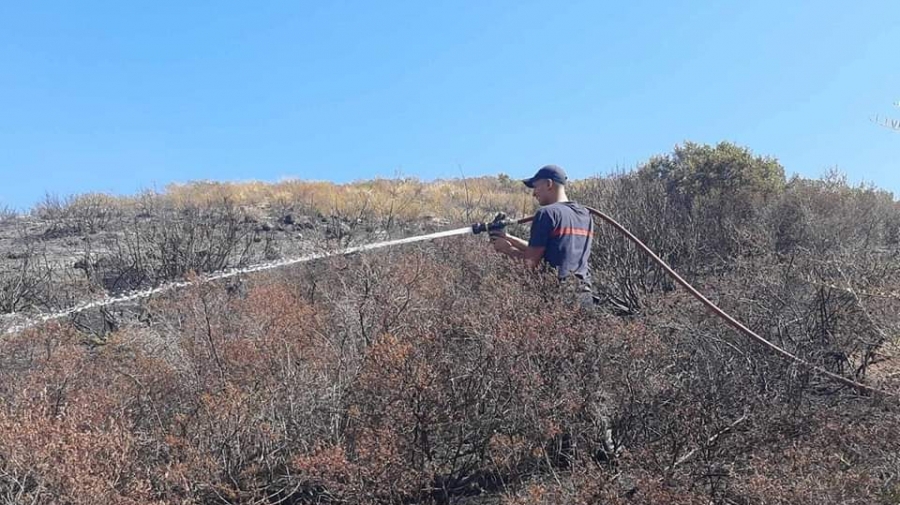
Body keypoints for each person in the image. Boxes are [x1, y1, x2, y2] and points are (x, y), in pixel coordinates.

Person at [489, 164, 596, 308]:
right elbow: (551, 251)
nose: (534, 194)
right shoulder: (585, 215)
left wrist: (506, 249)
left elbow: (530, 263)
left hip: (558, 297)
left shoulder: (546, 213)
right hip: (585, 297)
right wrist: (507, 237)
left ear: (549, 184)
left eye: (536, 187)